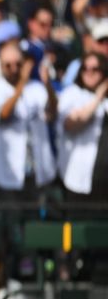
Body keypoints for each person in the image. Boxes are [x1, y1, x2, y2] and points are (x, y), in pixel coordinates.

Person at [0, 41, 57, 201]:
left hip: (37, 171)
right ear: (0, 66)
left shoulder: (37, 88)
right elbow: (4, 115)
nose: (14, 69)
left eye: (18, 64)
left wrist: (48, 85)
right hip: (6, 173)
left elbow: (52, 115)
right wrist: (22, 83)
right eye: (8, 65)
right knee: (10, 222)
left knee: (36, 224)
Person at [56, 52, 108, 202]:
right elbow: (73, 124)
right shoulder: (72, 94)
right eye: (85, 68)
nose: (89, 73)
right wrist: (99, 96)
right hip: (78, 178)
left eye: (95, 69)